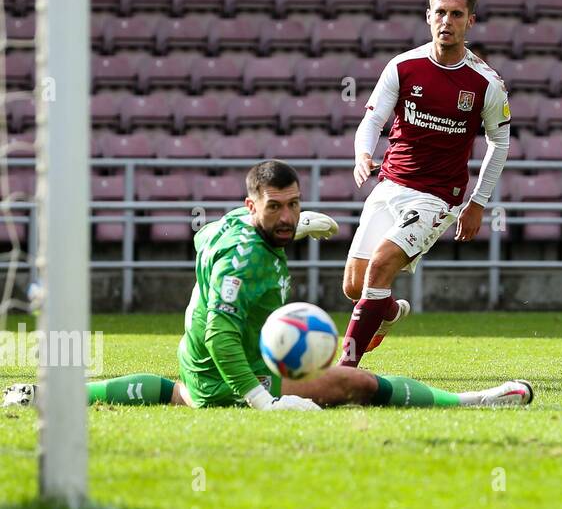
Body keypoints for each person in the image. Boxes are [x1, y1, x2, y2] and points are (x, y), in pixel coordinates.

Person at [3, 160, 533, 410]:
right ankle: (474, 401)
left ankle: (49, 395)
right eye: (275, 208)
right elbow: (220, 331)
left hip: (200, 364)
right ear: (252, 204)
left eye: (293, 204)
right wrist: (262, 401)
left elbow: (203, 241)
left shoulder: (228, 225)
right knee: (356, 384)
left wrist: (297, 227)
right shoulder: (243, 259)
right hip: (232, 370)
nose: (287, 215)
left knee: (180, 394)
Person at [342, 0, 510, 368]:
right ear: (428, 16)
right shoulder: (403, 66)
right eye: (440, 12)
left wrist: (477, 204)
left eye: (456, 14)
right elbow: (371, 121)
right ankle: (389, 313)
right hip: (390, 184)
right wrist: (362, 154)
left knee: (381, 267)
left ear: (470, 21)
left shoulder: (486, 84)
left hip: (437, 197)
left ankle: (343, 370)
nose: (446, 21)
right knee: (355, 286)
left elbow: (499, 143)